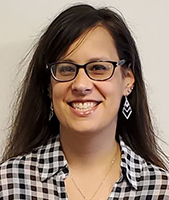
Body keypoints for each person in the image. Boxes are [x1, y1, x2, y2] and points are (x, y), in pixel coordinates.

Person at [0, 3, 169, 200]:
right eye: (66, 69)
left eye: (98, 67)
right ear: (48, 85)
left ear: (128, 80)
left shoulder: (160, 189)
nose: (81, 85)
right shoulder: (8, 183)